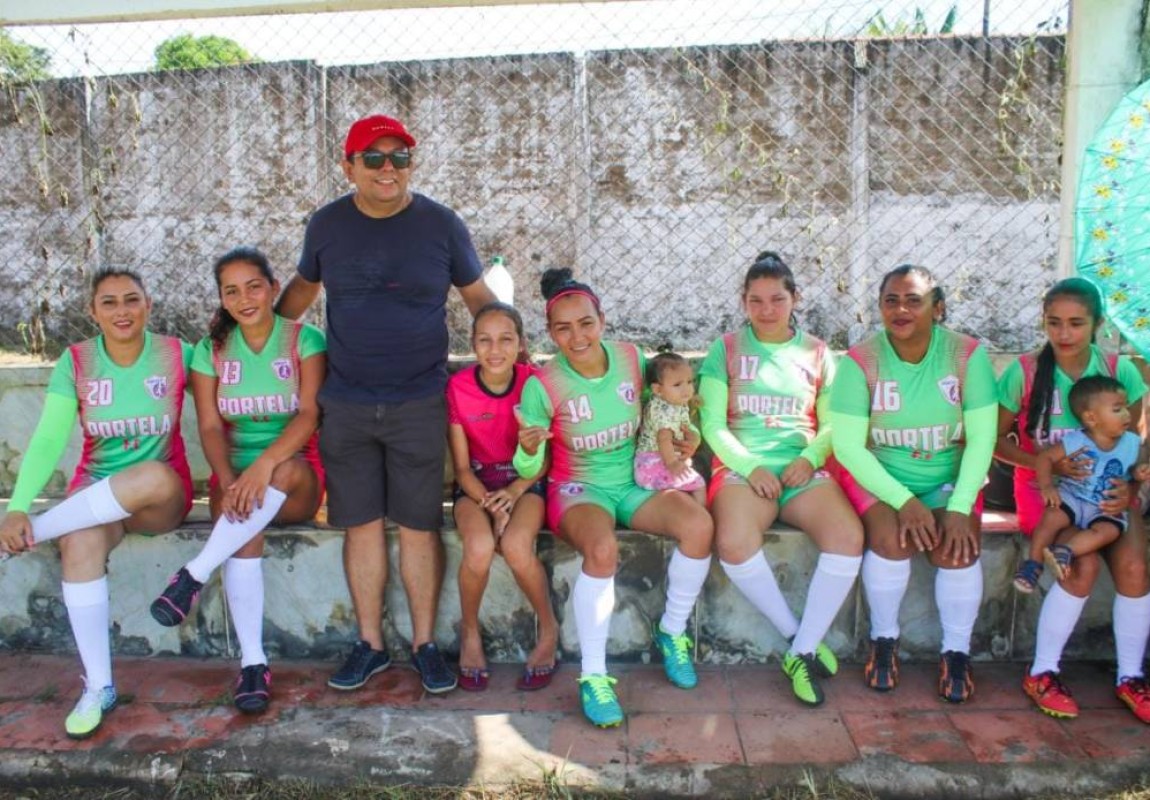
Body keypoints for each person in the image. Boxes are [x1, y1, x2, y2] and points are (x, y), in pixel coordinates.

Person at [276, 114, 496, 695]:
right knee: (362, 527)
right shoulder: (327, 226)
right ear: (348, 166)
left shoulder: (441, 225)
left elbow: (480, 301)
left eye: (399, 156)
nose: (388, 168)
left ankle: (425, 645)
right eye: (373, 158)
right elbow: (300, 291)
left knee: (420, 526)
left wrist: (513, 365)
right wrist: (251, 336)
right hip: (345, 401)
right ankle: (370, 646)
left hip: (421, 400)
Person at [514, 268, 714, 728]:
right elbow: (529, 466)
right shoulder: (543, 384)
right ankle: (594, 676)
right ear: (550, 333)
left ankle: (671, 633)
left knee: (699, 526)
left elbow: (668, 409)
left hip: (633, 482)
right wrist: (527, 451)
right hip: (578, 488)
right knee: (601, 550)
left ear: (601, 320)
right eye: (563, 328)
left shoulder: (630, 358)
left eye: (585, 323)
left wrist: (689, 439)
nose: (577, 336)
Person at [0, 268, 193, 739]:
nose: (122, 311)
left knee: (149, 475)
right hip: (95, 494)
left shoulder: (175, 354)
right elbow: (48, 437)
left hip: (160, 495)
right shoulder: (77, 360)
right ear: (92, 311)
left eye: (132, 300)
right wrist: (17, 505)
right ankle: (99, 687)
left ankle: (32, 533)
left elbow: (219, 408)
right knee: (80, 541)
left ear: (148, 303)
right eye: (109, 302)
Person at [148, 247, 326, 714]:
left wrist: (262, 467)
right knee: (244, 524)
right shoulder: (211, 350)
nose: (244, 298)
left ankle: (193, 573)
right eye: (232, 291)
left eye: (254, 286)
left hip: (294, 475)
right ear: (223, 300)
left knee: (279, 475)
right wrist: (227, 480)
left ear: (272, 288)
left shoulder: (303, 340)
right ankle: (253, 664)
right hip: (236, 475)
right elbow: (208, 425)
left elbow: (309, 415)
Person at [699, 252, 863, 707]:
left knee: (848, 537)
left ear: (796, 299)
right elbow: (712, 424)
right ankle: (798, 637)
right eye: (756, 300)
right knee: (732, 542)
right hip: (743, 468)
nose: (766, 309)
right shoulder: (725, 349)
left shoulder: (817, 353)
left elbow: (832, 425)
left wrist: (810, 458)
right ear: (743, 302)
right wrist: (749, 466)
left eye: (777, 299)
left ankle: (802, 650)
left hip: (801, 468)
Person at [829, 264, 997, 704]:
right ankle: (884, 640)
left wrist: (960, 506)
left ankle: (956, 651)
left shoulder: (966, 355)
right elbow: (847, 447)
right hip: (881, 476)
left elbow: (983, 438)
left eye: (913, 300)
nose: (901, 309)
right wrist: (902, 499)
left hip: (947, 477)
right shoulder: (860, 361)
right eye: (890, 300)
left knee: (956, 548)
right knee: (890, 540)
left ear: (937, 308)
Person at [995, 277, 1150, 722]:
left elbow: (1136, 442)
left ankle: (1131, 676)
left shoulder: (1120, 369)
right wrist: (1046, 465)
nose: (1064, 334)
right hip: (1047, 493)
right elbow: (994, 442)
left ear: (1098, 324)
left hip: (1108, 497)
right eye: (1054, 322)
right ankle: (1042, 671)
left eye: (1076, 324)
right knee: (1079, 564)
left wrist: (1132, 487)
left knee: (1136, 566)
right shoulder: (1023, 372)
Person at [447, 302, 560, 692]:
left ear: (521, 343)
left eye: (506, 339)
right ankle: (471, 634)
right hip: (476, 486)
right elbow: (462, 469)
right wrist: (490, 504)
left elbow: (545, 460)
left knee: (515, 544)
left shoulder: (535, 383)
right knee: (478, 546)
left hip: (524, 484)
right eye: (485, 340)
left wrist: (513, 493)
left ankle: (548, 629)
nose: (495, 350)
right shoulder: (458, 388)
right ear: (472, 344)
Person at [1013, 376, 1149, 592]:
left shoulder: (1132, 442)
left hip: (1104, 506)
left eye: (1125, 407)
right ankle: (1033, 564)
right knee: (1051, 516)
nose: (1126, 414)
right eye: (1117, 409)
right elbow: (1044, 458)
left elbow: (1136, 468)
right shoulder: (1078, 440)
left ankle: (1066, 551)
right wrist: (1047, 486)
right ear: (1092, 418)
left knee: (1109, 531)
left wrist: (1139, 472)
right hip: (1074, 497)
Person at [633, 350, 705, 502]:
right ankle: (703, 512)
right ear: (657, 389)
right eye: (677, 384)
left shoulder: (672, 401)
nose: (686, 389)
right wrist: (672, 464)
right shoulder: (663, 411)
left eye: (690, 382)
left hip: (659, 460)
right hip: (654, 464)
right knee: (699, 485)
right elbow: (663, 439)